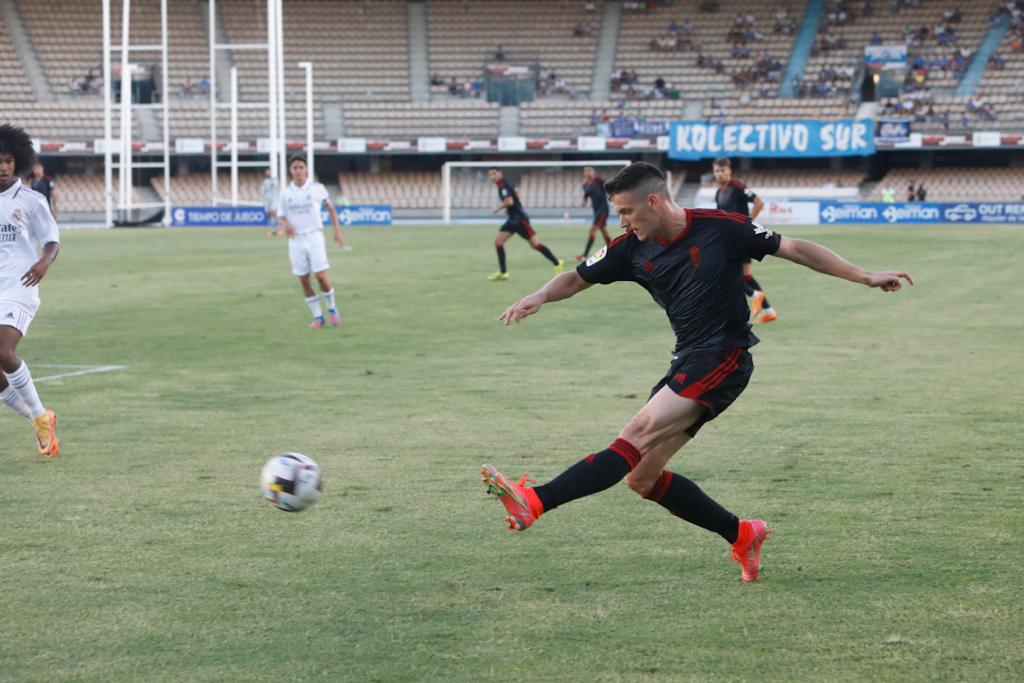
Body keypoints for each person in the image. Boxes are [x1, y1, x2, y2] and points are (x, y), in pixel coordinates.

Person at [481, 162, 912, 582]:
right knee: (642, 477)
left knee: (637, 432)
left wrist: (865, 276)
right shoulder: (630, 248)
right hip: (688, 359)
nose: (622, 221)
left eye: (627, 211)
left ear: (653, 201)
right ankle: (743, 534)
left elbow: (795, 248)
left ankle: (536, 501)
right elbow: (576, 278)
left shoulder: (722, 228)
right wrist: (539, 296)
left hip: (725, 356)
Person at [0, 125, 61, 457]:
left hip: (20, 285)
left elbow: (52, 241)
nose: (3, 167)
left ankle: (39, 418)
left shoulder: (31, 200)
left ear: (17, 162)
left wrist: (43, 263)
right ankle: (38, 418)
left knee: (3, 351)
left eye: (8, 160)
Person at [277, 156, 345, 329]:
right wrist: (286, 225)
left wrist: (337, 232)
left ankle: (332, 309)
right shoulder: (285, 193)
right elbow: (281, 216)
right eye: (295, 168)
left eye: (301, 167)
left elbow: (331, 208)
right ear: (290, 171)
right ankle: (318, 317)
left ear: (306, 169)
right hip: (296, 241)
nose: (298, 170)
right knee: (304, 280)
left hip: (314, 237)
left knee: (321, 276)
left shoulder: (317, 188)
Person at [712, 157, 776, 324]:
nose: (720, 174)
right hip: (733, 238)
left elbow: (758, 202)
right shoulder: (718, 193)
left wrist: (748, 222)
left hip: (739, 237)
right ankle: (768, 311)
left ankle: (754, 295)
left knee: (726, 273)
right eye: (717, 171)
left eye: (723, 170)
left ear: (729, 171)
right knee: (746, 276)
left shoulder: (738, 187)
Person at [487, 168, 563, 281]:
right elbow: (516, 192)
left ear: (500, 173)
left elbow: (509, 201)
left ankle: (557, 263)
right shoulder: (505, 183)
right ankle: (503, 273)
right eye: (490, 174)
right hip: (513, 219)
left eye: (494, 173)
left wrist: (497, 209)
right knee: (498, 242)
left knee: (535, 245)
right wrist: (513, 207)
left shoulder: (503, 185)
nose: (492, 176)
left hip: (520, 220)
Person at [577, 166, 612, 261]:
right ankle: (614, 251)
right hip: (596, 211)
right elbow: (586, 195)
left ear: (594, 172)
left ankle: (584, 255)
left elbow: (609, 190)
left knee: (592, 231)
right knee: (604, 231)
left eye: (590, 170)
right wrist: (583, 203)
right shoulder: (585, 185)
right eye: (586, 171)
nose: (588, 172)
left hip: (603, 210)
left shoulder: (600, 181)